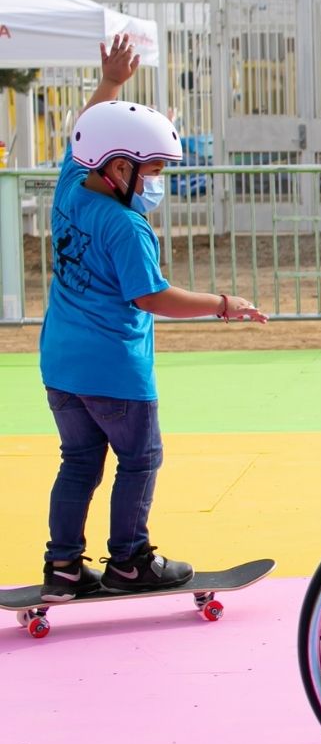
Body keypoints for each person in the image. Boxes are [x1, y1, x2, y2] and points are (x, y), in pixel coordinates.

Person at [37, 35, 269, 602]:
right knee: (140, 460)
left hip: (60, 366)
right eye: (153, 170)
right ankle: (131, 560)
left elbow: (87, 127)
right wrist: (223, 304)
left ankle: (63, 567)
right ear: (119, 167)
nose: (157, 182)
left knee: (78, 463)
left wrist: (113, 82)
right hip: (116, 370)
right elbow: (153, 297)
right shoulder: (127, 227)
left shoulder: (71, 187)